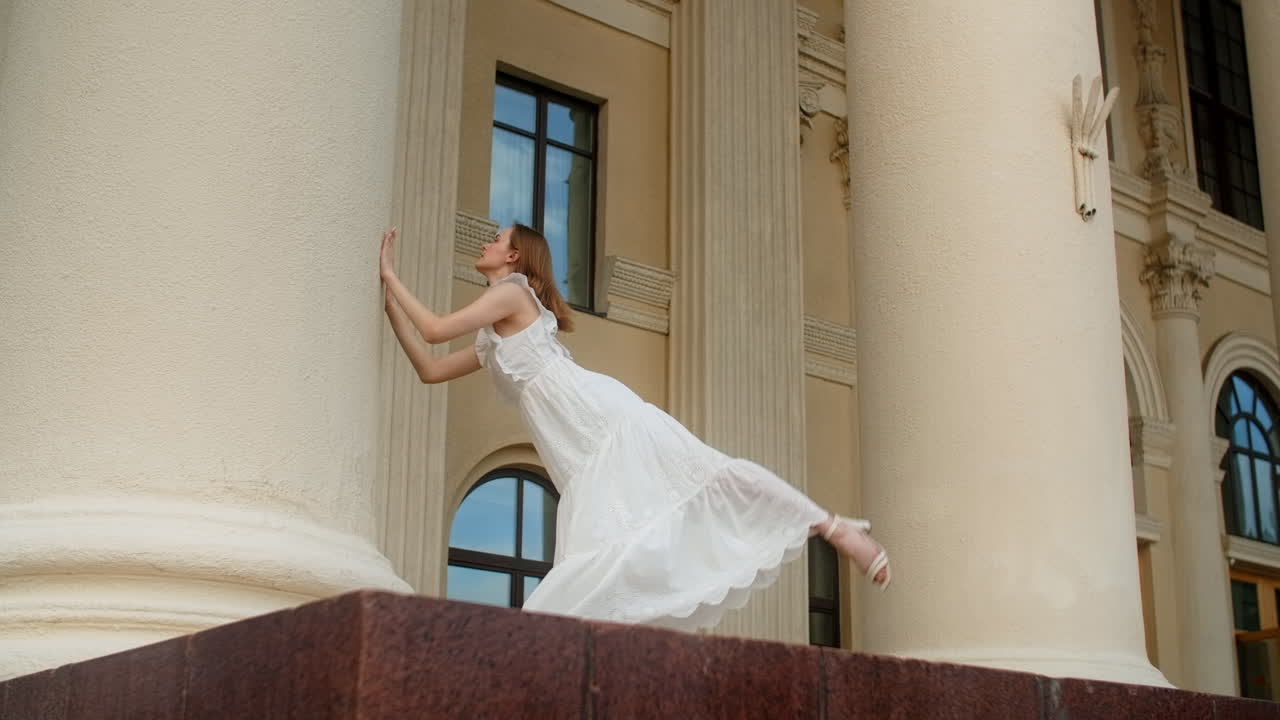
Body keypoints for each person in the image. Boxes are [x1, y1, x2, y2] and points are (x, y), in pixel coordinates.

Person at [380, 224, 890, 631]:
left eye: (497, 239)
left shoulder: (512, 294)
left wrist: (390, 275)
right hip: (576, 457)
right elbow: (430, 368)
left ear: (514, 257)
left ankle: (831, 527)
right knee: (594, 575)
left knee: (709, 474)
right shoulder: (494, 335)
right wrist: (389, 306)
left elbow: (435, 328)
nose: (487, 243)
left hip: (604, 420)